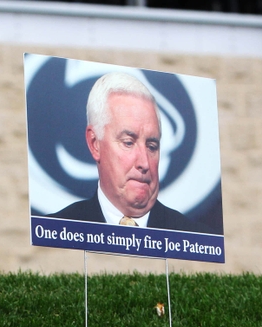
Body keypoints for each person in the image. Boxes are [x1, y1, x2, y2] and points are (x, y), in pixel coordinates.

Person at [49, 72, 203, 232]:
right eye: (128, 143)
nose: (144, 163)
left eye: (151, 146)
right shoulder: (56, 233)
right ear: (95, 144)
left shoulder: (194, 239)